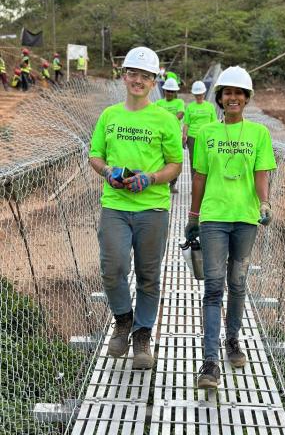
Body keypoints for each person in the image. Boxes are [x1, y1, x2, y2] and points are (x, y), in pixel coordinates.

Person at [89, 46, 183, 369]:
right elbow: (95, 155)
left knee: (148, 275)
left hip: (152, 207)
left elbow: (175, 164)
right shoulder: (109, 116)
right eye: (133, 74)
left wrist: (152, 178)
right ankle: (123, 320)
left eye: (145, 76)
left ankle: (142, 335)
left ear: (155, 81)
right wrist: (107, 172)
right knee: (112, 268)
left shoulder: (165, 120)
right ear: (124, 75)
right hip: (114, 204)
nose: (138, 80)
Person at [184, 66, 277, 389]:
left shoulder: (259, 134)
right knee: (213, 287)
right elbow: (199, 177)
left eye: (239, 93)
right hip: (213, 217)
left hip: (246, 218)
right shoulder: (209, 132)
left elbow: (261, 173)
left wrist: (264, 204)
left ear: (247, 98)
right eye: (227, 93)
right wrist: (193, 217)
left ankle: (233, 340)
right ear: (220, 99)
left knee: (237, 283)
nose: (233, 98)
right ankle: (209, 362)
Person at [155, 77, 185, 193]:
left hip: (174, 135)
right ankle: (161, 181)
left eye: (172, 91)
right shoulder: (158, 103)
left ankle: (172, 184)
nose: (170, 93)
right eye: (168, 91)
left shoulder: (179, 102)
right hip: (160, 135)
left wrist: (166, 123)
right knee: (161, 159)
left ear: (175, 92)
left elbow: (180, 114)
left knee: (174, 161)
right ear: (164, 91)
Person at [183, 80, 217, 179]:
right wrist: (184, 136)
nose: (199, 96)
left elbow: (214, 123)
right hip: (192, 137)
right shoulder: (190, 107)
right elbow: (186, 123)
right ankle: (195, 183)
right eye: (197, 94)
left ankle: (206, 183)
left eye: (200, 94)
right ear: (194, 94)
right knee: (194, 160)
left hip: (207, 137)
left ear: (204, 93)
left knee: (207, 159)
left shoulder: (210, 106)